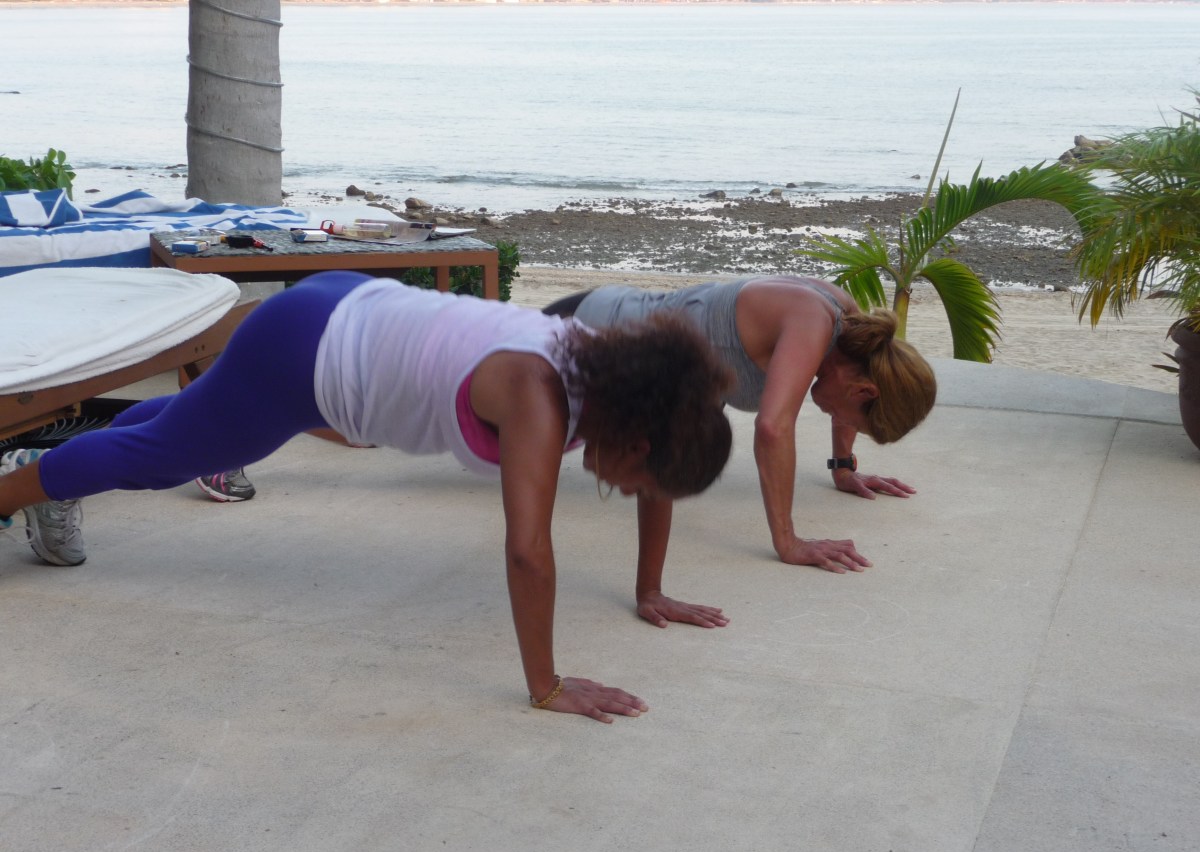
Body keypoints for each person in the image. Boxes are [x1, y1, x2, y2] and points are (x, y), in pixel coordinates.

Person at [0, 271, 734, 722]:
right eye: (636, 482)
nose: (625, 491)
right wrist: (547, 685)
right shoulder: (539, 398)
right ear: (639, 444)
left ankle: (69, 464)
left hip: (345, 303)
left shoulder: (619, 378)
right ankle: (24, 483)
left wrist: (651, 589)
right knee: (159, 461)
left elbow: (661, 477)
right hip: (303, 355)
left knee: (192, 434)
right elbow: (527, 552)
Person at [542, 275, 936, 628]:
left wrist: (843, 467)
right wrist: (789, 542)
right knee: (511, 455)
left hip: (616, 326)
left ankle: (650, 590)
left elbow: (665, 456)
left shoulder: (847, 332)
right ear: (864, 390)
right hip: (586, 332)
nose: (835, 417)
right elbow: (772, 428)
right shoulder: (815, 322)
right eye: (852, 419)